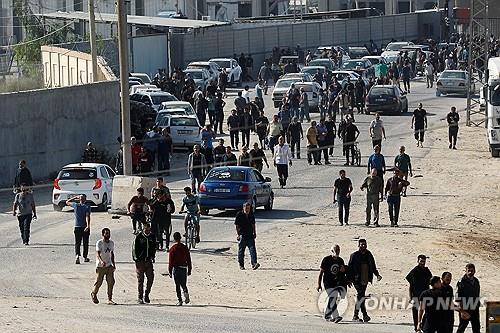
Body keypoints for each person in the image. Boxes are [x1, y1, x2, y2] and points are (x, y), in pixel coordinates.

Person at [347, 239, 382, 323]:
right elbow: (349, 268)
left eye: (365, 244)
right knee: (360, 295)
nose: (363, 246)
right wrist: (348, 279)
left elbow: (373, 266)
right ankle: (357, 315)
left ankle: (364, 315)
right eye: (362, 244)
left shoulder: (369, 254)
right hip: (356, 279)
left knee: (361, 296)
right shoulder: (354, 255)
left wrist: (377, 274)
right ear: (358, 245)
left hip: (365, 278)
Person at [317, 244, 347, 323]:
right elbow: (321, 273)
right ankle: (336, 316)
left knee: (333, 298)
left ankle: (327, 315)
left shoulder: (340, 260)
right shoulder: (326, 260)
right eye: (335, 250)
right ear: (332, 251)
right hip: (327, 282)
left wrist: (343, 272)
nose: (337, 252)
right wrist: (319, 284)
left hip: (336, 282)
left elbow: (342, 273)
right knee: (333, 296)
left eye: (338, 250)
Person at [406, 255, 432, 332]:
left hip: (425, 294)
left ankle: (422, 326)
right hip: (416, 295)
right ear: (418, 261)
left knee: (427, 311)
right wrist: (411, 297)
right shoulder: (414, 271)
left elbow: (431, 282)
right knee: (415, 312)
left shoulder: (427, 271)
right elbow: (411, 286)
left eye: (424, 261)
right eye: (421, 261)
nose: (422, 263)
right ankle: (416, 328)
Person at [91, 228, 116, 305]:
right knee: (99, 282)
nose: (108, 235)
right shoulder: (99, 243)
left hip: (109, 265)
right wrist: (101, 261)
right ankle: (94, 293)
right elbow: (98, 254)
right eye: (106, 233)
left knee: (111, 282)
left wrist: (113, 264)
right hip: (100, 266)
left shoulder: (111, 243)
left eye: (108, 233)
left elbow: (112, 254)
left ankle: (110, 299)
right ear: (103, 234)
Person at [132, 223, 156, 304]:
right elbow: (134, 249)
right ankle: (140, 297)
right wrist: (136, 259)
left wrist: (153, 256)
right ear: (143, 229)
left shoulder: (152, 237)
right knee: (140, 280)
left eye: (149, 230)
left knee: (151, 278)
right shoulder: (139, 237)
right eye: (146, 230)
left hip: (148, 261)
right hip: (140, 262)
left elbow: (154, 247)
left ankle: (147, 294)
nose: (148, 231)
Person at [168, 232, 192, 306]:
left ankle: (180, 300)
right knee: (183, 284)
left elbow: (171, 261)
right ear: (180, 238)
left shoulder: (173, 249)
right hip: (184, 268)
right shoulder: (185, 247)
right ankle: (185, 292)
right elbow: (188, 259)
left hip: (176, 269)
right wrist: (189, 269)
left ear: (174, 239)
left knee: (177, 285)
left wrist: (169, 271)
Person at [66, 194, 91, 264]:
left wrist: (75, 197)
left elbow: (67, 202)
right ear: (85, 200)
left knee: (77, 243)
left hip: (77, 227)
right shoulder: (87, 206)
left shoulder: (75, 205)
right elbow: (87, 216)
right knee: (85, 243)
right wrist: (88, 226)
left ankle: (77, 256)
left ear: (79, 199)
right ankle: (85, 257)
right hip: (84, 227)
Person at [456, 263, 481, 333]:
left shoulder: (476, 281)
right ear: (465, 271)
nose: (470, 272)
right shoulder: (461, 282)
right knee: (461, 328)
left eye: (472, 271)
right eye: (468, 270)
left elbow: (477, 294)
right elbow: (458, 298)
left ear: (475, 271)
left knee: (476, 328)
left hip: (475, 308)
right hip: (465, 308)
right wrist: (462, 311)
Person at [235, 202, 260, 270]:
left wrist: (254, 233)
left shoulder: (251, 214)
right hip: (242, 235)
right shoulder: (239, 214)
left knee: (252, 250)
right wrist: (238, 235)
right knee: (241, 251)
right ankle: (241, 265)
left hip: (250, 235)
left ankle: (254, 263)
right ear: (243, 208)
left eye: (248, 208)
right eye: (246, 208)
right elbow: (236, 226)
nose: (247, 209)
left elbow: (253, 224)